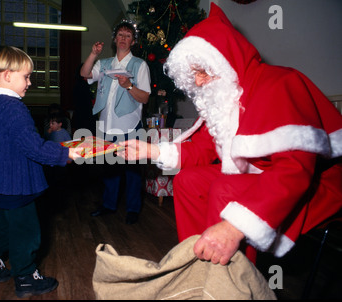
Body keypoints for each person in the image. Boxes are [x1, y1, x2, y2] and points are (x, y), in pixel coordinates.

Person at [119, 4, 342, 265]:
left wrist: (233, 229)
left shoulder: (278, 83)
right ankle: (196, 266)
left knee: (224, 188)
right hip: (260, 176)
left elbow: (294, 171)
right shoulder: (225, 100)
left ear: (225, 61)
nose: (199, 82)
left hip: (317, 182)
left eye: (202, 72)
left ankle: (230, 283)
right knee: (187, 181)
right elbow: (202, 149)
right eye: (194, 76)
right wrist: (151, 151)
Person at [0, 46, 82, 298]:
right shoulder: (14, 108)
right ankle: (25, 277)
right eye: (26, 76)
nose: (30, 82)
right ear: (8, 75)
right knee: (27, 232)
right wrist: (64, 154)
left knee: (4, 227)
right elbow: (32, 146)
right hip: (16, 185)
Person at [80, 20, 151, 224]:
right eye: (120, 34)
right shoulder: (104, 64)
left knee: (132, 171)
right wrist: (94, 53)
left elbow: (144, 97)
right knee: (110, 168)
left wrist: (129, 86)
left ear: (133, 41)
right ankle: (109, 205)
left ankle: (133, 209)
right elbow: (84, 74)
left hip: (129, 124)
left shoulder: (139, 65)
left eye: (128, 36)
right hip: (106, 123)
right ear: (114, 38)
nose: (123, 39)